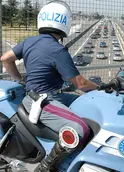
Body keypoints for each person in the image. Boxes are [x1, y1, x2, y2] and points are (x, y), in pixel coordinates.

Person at [1, 1, 98, 171]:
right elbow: (81, 84)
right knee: (80, 128)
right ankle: (47, 166)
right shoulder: (58, 50)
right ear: (64, 23)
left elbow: (5, 59)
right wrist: (100, 87)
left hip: (41, 96)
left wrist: (19, 79)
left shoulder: (29, 41)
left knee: (85, 103)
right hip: (43, 101)